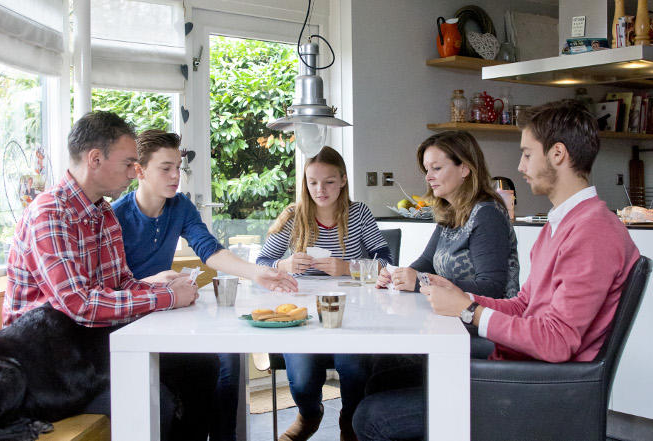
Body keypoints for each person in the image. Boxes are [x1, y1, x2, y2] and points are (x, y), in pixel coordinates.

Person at [352, 100, 641, 441]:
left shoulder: (593, 231)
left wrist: (469, 311)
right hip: (525, 367)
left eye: (527, 154)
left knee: (372, 417)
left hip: (540, 388)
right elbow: (522, 305)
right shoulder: (561, 225)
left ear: (558, 154)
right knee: (384, 378)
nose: (519, 166)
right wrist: (462, 299)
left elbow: (558, 342)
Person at [6, 112, 210, 441]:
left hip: (88, 351)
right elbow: (80, 304)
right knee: (155, 402)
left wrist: (159, 286)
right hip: (46, 368)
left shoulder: (102, 212)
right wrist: (167, 297)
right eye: (129, 163)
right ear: (96, 159)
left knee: (201, 367)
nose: (135, 171)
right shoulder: (50, 215)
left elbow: (121, 284)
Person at [112, 129, 297, 441]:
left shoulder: (180, 206)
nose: (176, 176)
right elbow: (109, 287)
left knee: (227, 361)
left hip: (166, 312)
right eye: (165, 168)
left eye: (178, 168)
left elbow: (210, 250)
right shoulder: (116, 216)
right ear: (140, 171)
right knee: (205, 368)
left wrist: (256, 272)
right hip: (131, 322)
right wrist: (153, 281)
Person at [256, 146, 392, 441]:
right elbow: (262, 264)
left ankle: (350, 420)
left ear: (343, 180)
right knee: (303, 380)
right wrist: (285, 263)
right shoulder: (293, 216)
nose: (321, 189)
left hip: (352, 311)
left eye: (329, 181)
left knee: (353, 367)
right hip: (301, 313)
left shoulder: (358, 214)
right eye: (313, 182)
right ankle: (310, 414)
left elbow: (386, 260)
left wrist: (346, 268)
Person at [376, 130, 519, 299]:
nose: (428, 177)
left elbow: (492, 288)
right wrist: (398, 276)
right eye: (427, 170)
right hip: (454, 316)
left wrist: (421, 282)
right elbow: (427, 262)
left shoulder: (487, 215)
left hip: (480, 321)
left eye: (436, 168)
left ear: (464, 169)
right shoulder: (451, 212)